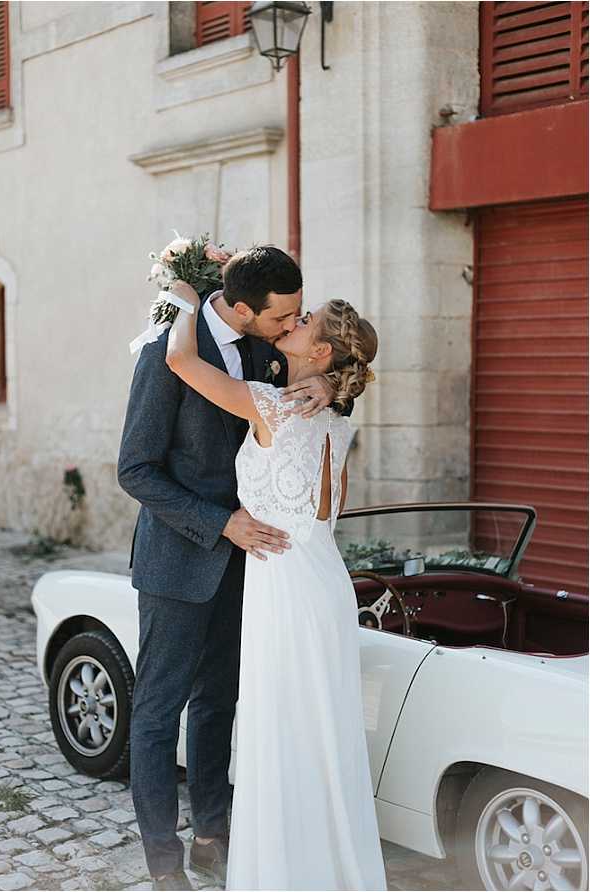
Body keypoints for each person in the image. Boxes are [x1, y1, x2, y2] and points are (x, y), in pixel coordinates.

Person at [117, 246, 338, 891]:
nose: (292, 327)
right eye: (283, 316)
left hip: (253, 570)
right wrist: (219, 524)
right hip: (177, 563)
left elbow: (329, 386)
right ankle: (164, 864)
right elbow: (134, 470)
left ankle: (215, 835)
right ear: (243, 309)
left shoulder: (275, 350)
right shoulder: (167, 351)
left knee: (219, 705)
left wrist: (329, 386)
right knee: (158, 715)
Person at [165, 279, 387, 891]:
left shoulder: (275, 404)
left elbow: (179, 360)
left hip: (285, 588)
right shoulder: (335, 415)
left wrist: (185, 297)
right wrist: (324, 383)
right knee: (319, 733)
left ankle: (286, 874)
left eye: (306, 320)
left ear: (320, 355)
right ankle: (329, 869)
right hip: (322, 583)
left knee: (284, 730)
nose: (296, 318)